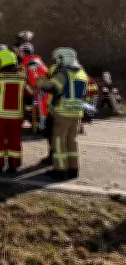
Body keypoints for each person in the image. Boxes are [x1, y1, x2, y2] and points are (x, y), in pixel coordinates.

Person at [37, 48, 89, 180]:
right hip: (77, 113)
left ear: (64, 58)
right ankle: (73, 169)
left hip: (62, 113)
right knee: (71, 141)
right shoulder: (82, 72)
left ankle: (60, 170)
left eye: (59, 59)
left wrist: (41, 82)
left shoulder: (64, 72)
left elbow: (51, 87)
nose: (57, 62)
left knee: (59, 140)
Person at [0, 49, 34, 174]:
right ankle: (13, 166)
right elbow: (30, 97)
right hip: (17, 117)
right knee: (15, 141)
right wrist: (27, 111)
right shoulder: (22, 78)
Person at [19, 43, 50, 134]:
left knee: (37, 102)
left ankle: (42, 125)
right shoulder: (37, 59)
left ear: (24, 52)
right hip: (46, 85)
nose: (19, 54)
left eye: (20, 52)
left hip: (40, 88)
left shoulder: (27, 60)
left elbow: (25, 76)